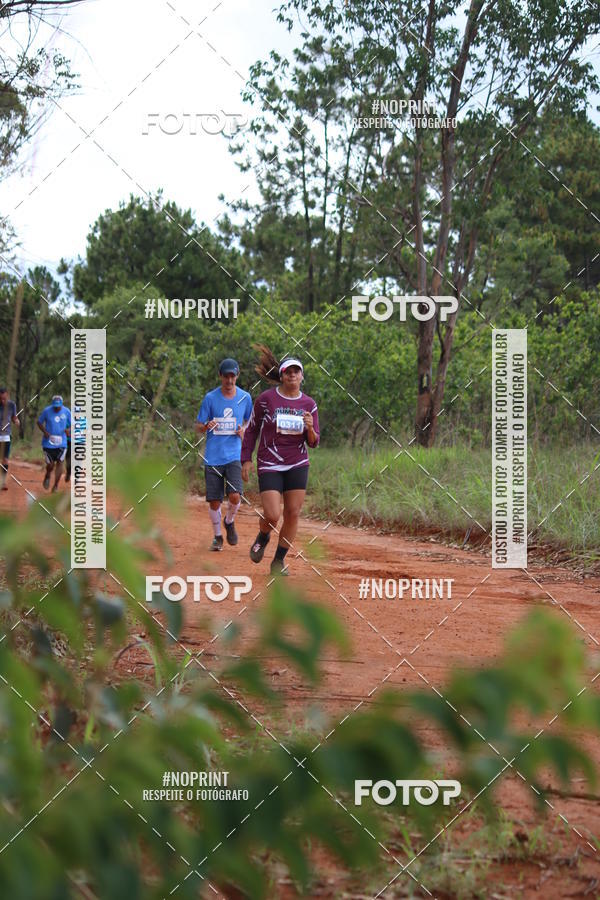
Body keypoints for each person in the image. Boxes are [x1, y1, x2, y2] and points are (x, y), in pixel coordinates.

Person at [241, 346, 320, 576]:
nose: (292, 375)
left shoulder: (309, 404)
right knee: (273, 515)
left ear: (302, 376)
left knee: (293, 513)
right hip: (270, 463)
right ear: (282, 375)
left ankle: (278, 561)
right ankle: (263, 535)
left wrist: (310, 428)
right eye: (288, 372)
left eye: (297, 372)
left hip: (297, 463)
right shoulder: (267, 400)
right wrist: (245, 459)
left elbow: (313, 442)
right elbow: (252, 430)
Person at [195, 358, 253, 551]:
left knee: (235, 496)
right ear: (220, 376)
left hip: (234, 455)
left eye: (232, 376)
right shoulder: (210, 398)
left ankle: (229, 521)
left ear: (237, 376)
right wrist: (206, 426)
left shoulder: (245, 398)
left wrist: (243, 430)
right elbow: (198, 426)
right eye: (226, 376)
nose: (229, 380)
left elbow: (250, 422)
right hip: (213, 456)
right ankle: (218, 537)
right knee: (214, 500)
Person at [37, 395, 71, 492]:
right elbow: (39, 422)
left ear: (62, 404)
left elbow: (73, 424)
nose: (56, 408)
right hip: (48, 443)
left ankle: (56, 485)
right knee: (51, 465)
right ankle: (47, 475)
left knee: (60, 462)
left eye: (58, 406)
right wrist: (45, 431)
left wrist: (69, 429)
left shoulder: (67, 411)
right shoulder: (46, 411)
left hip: (62, 442)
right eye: (55, 406)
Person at [0, 387, 20, 491]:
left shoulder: (12, 405)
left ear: (7, 395)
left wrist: (16, 421)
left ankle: (3, 482)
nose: (2, 401)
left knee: (5, 460)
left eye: (4, 398)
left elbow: (14, 417)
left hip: (6, 436)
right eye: (0, 399)